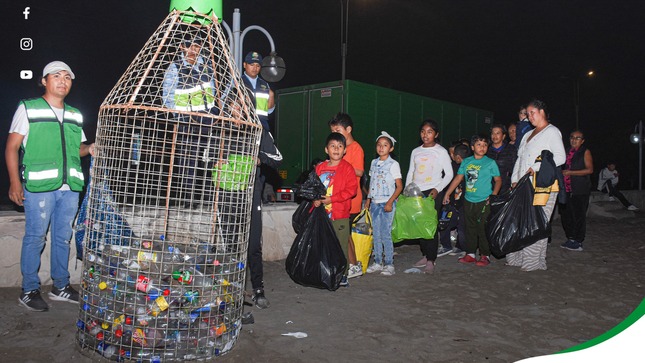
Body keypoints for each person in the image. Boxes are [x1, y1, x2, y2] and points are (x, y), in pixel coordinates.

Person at [6, 61, 95, 311]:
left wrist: (90, 148)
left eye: (67, 77)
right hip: (40, 186)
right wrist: (15, 182)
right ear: (44, 81)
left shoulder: (75, 114)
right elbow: (12, 146)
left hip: (70, 187)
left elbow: (78, 149)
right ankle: (29, 289)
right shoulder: (29, 108)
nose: (63, 81)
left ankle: (61, 286)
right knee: (35, 238)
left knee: (63, 237)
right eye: (56, 76)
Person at [240, 51, 283, 308]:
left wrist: (259, 160)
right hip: (230, 195)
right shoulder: (229, 132)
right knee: (233, 244)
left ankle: (258, 289)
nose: (256, 67)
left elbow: (276, 159)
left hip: (253, 192)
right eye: (252, 63)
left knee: (254, 242)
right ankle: (231, 290)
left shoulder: (266, 87)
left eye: (258, 64)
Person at [508, 99, 566, 272]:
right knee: (521, 221)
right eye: (527, 113)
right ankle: (518, 258)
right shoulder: (527, 134)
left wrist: (536, 167)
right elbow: (520, 158)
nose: (529, 116)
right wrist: (514, 179)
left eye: (532, 112)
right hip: (523, 184)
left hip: (543, 185)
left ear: (541, 111)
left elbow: (560, 157)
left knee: (537, 222)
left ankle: (533, 262)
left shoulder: (552, 131)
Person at [162, 36, 218, 198]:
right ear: (182, 47)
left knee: (211, 155)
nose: (195, 50)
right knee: (188, 158)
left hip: (208, 118)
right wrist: (179, 115)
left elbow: (212, 91)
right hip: (187, 120)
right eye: (191, 46)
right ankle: (188, 196)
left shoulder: (206, 66)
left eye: (197, 46)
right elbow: (167, 96)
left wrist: (213, 113)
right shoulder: (175, 67)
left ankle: (209, 194)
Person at [443, 134, 501, 266]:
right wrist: (448, 193)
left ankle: (485, 255)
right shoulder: (466, 162)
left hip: (484, 201)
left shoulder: (490, 163)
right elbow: (458, 178)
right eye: (479, 144)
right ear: (473, 147)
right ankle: (470, 254)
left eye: (485, 145)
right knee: (469, 228)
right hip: (468, 200)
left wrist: (493, 195)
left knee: (482, 228)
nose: (482, 147)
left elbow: (498, 180)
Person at [406, 119, 454, 274]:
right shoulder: (416, 151)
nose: (425, 135)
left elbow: (449, 174)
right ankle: (426, 255)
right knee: (419, 224)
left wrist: (437, 189)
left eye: (429, 132)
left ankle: (431, 259)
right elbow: (411, 172)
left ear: (436, 134)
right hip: (416, 192)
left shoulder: (441, 151)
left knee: (430, 225)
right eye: (423, 131)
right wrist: (407, 190)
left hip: (433, 192)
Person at [313, 133, 358, 286]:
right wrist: (315, 200)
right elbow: (313, 188)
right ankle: (325, 272)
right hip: (323, 216)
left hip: (340, 215)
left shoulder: (347, 168)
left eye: (340, 146)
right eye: (333, 146)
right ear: (326, 150)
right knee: (323, 245)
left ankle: (343, 274)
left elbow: (351, 190)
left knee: (341, 245)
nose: (336, 149)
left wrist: (332, 199)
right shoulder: (320, 168)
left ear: (344, 150)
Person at [328, 113, 365, 279]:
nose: (335, 133)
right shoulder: (338, 147)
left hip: (351, 199)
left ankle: (354, 265)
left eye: (338, 130)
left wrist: (341, 163)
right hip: (340, 199)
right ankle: (352, 264)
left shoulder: (355, 148)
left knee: (345, 234)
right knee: (345, 234)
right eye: (332, 130)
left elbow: (360, 171)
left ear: (348, 129)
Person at [364, 131, 403, 276]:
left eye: (385, 145)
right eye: (379, 145)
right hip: (375, 202)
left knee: (386, 233)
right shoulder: (374, 163)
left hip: (386, 203)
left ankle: (389, 264)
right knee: (376, 233)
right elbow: (372, 182)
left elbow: (399, 186)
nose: (381, 148)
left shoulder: (393, 164)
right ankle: (377, 261)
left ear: (391, 148)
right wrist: (368, 200)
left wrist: (390, 202)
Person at [560, 130, 594, 251]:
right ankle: (571, 238)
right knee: (566, 215)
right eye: (572, 137)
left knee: (579, 216)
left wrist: (571, 172)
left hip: (580, 189)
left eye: (578, 138)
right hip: (566, 189)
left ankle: (578, 241)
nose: (574, 140)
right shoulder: (566, 151)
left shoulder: (585, 152)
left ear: (582, 140)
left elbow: (589, 170)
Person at [441, 143, 470, 256]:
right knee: (444, 221)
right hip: (452, 201)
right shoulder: (450, 166)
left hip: (464, 201)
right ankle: (446, 246)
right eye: (450, 153)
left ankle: (462, 247)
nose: (451, 155)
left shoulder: (466, 166)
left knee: (463, 225)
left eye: (453, 153)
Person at [241, 51, 275, 130]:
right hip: (243, 126)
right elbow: (224, 102)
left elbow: (270, 110)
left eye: (258, 66)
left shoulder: (265, 85)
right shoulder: (236, 82)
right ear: (244, 65)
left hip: (262, 126)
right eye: (251, 65)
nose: (255, 68)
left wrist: (272, 96)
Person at [486, 124, 517, 194]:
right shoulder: (486, 150)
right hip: (488, 186)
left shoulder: (511, 149)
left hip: (506, 187)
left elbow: (515, 169)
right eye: (493, 133)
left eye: (497, 133)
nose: (494, 136)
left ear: (503, 136)